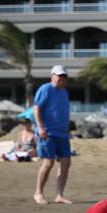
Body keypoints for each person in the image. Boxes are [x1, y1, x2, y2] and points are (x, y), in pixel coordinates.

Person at [33, 65, 72, 205]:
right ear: (52, 76)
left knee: (66, 162)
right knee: (48, 163)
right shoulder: (46, 89)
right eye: (59, 75)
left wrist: (67, 130)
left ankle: (59, 194)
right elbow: (36, 108)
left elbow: (63, 112)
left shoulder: (65, 92)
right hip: (48, 132)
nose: (62, 78)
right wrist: (40, 128)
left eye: (64, 76)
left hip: (62, 134)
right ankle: (38, 192)